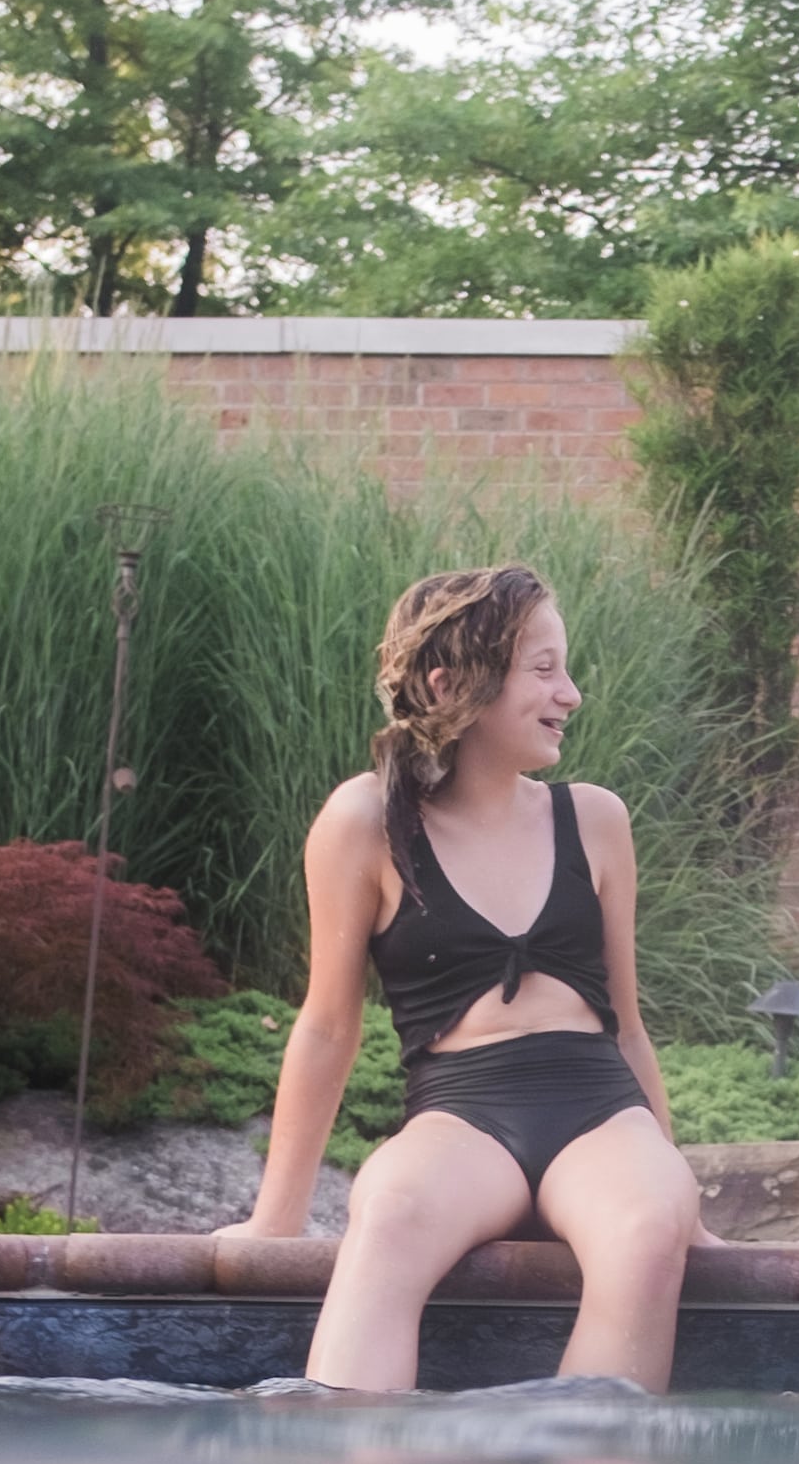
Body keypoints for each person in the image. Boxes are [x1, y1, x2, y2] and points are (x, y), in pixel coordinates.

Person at [233, 565, 705, 1392]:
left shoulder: (594, 819)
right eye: (545, 668)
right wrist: (278, 1219)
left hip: (598, 1110)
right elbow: (327, 1026)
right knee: (388, 1212)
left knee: (651, 1221)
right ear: (455, 684)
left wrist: (679, 1187)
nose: (573, 693)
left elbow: (626, 1024)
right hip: (460, 1114)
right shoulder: (365, 824)